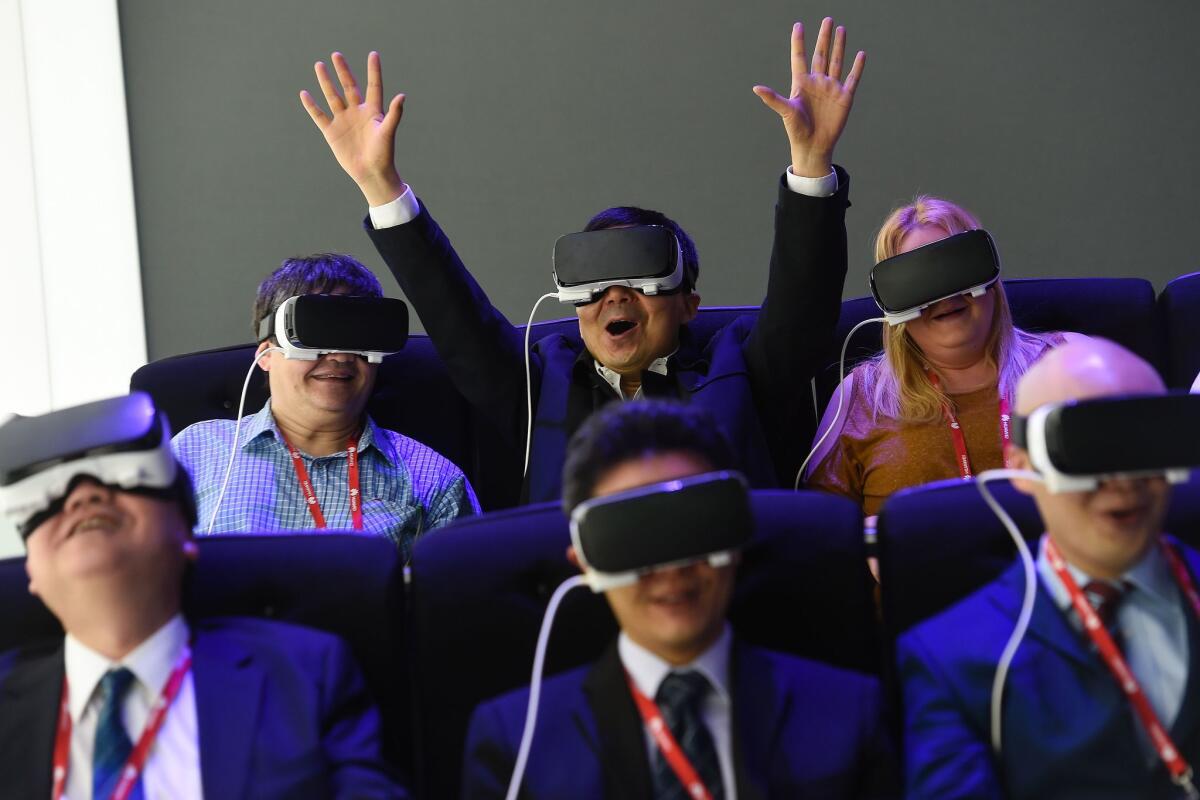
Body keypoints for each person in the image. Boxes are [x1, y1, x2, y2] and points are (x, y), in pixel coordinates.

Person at [299, 18, 865, 503]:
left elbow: (803, 310)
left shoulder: (739, 367)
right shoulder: (540, 379)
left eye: (639, 277)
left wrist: (812, 167)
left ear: (690, 304)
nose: (614, 296)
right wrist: (383, 189)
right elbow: (456, 318)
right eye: (593, 283)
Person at [461, 400, 897, 798]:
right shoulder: (518, 743)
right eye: (636, 541)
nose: (672, 570)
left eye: (692, 529)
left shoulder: (849, 714)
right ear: (587, 562)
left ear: (737, 535)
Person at [0, 394, 407, 799]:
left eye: (122, 481)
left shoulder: (306, 678)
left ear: (187, 535)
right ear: (30, 570)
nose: (84, 495)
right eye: (50, 504)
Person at [897, 338, 1200, 799]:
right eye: (1086, 447)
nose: (1123, 483)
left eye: (1143, 442)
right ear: (1018, 465)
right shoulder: (953, 660)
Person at [172, 253, 479, 557]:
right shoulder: (194, 453)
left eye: (357, 337)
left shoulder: (434, 479)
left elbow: (462, 598)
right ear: (266, 354)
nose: (341, 356)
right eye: (317, 332)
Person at [805, 196, 1084, 516]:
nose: (944, 295)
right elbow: (820, 539)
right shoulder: (859, 398)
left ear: (989, 280)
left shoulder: (1071, 362)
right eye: (918, 282)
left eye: (955, 269)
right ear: (894, 309)